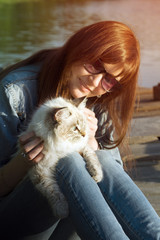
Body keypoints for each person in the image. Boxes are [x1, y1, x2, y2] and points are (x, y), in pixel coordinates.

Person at [0, 20, 159, 240]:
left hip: (68, 225)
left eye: (110, 80)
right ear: (79, 49)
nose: (94, 82)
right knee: (66, 161)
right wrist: (25, 159)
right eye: (94, 64)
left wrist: (90, 143)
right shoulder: (15, 91)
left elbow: (112, 185)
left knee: (99, 160)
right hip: (15, 224)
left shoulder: (100, 100)